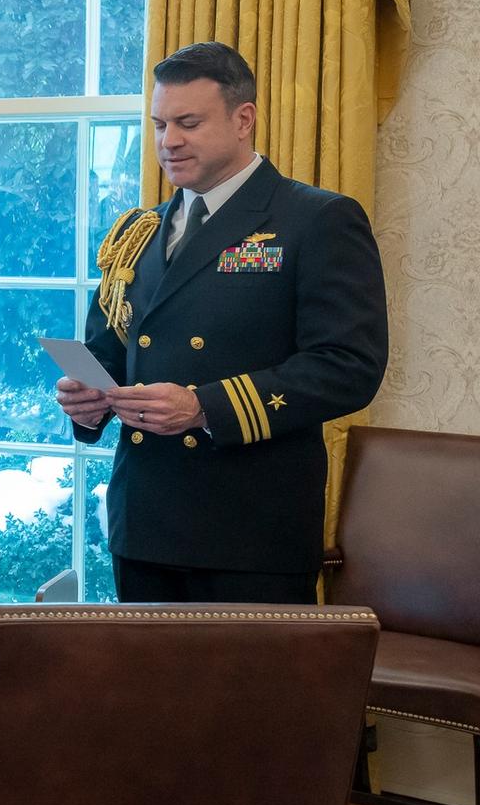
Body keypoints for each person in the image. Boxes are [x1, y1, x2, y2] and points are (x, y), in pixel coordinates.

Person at [55, 42, 388, 603]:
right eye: (160, 124)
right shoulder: (138, 229)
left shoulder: (315, 219)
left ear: (243, 119)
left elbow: (348, 367)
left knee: (250, 695)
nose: (169, 141)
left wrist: (203, 406)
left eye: (188, 122)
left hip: (249, 531)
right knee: (145, 692)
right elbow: (110, 350)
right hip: (145, 519)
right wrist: (87, 398)